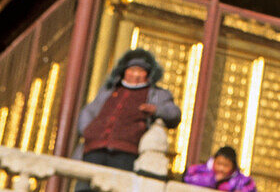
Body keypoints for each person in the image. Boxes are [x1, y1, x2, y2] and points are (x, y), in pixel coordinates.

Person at [75, 48, 181, 181]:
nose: (135, 75)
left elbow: (174, 114)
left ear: (148, 74)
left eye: (140, 71)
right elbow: (89, 111)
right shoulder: (109, 91)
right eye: (132, 70)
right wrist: (87, 130)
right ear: (124, 71)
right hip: (94, 149)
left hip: (126, 153)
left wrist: (155, 110)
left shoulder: (157, 94)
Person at [184, 146, 258, 191]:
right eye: (219, 164)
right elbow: (188, 179)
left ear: (233, 167)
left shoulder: (243, 181)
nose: (221, 168)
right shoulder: (198, 171)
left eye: (226, 165)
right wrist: (213, 180)